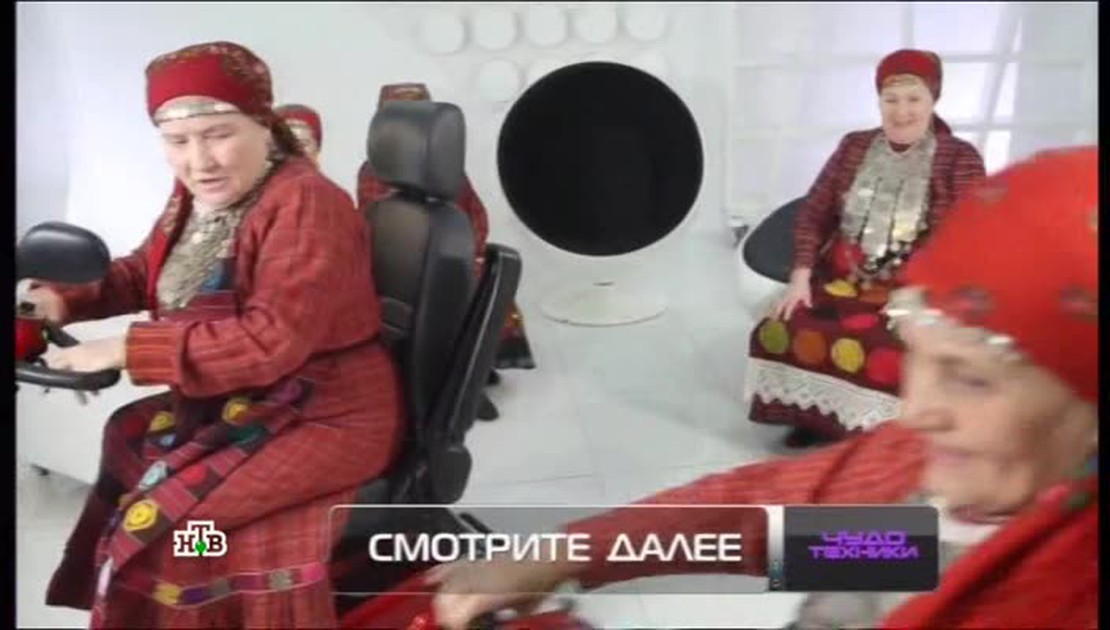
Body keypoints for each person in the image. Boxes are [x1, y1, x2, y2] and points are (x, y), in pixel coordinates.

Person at [428, 147, 1099, 629]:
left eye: (972, 379)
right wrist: (561, 554)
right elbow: (759, 528)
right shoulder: (923, 502)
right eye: (919, 356)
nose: (917, 411)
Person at [25, 41, 404, 628]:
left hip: (324, 413)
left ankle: (219, 597)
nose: (199, 160)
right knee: (126, 435)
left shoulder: (307, 204)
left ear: (262, 124)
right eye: (178, 141)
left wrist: (125, 349)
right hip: (253, 399)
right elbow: (147, 272)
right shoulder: (201, 195)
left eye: (219, 134)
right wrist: (63, 299)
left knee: (176, 529)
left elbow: (270, 340)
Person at [747, 49, 987, 448]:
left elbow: (968, 239)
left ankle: (881, 440)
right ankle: (814, 414)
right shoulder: (853, 146)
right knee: (785, 324)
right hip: (841, 280)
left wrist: (924, 301)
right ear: (878, 100)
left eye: (913, 99)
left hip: (913, 289)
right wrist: (801, 276)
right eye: (891, 99)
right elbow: (814, 211)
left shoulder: (959, 158)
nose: (901, 111)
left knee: (890, 349)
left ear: (933, 100)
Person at [357, 82, 537, 418]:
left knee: (484, 295)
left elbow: (474, 213)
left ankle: (478, 370)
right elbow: (372, 228)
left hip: (453, 257)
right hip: (403, 269)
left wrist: (474, 249)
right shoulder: (373, 175)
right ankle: (453, 387)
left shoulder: (446, 172)